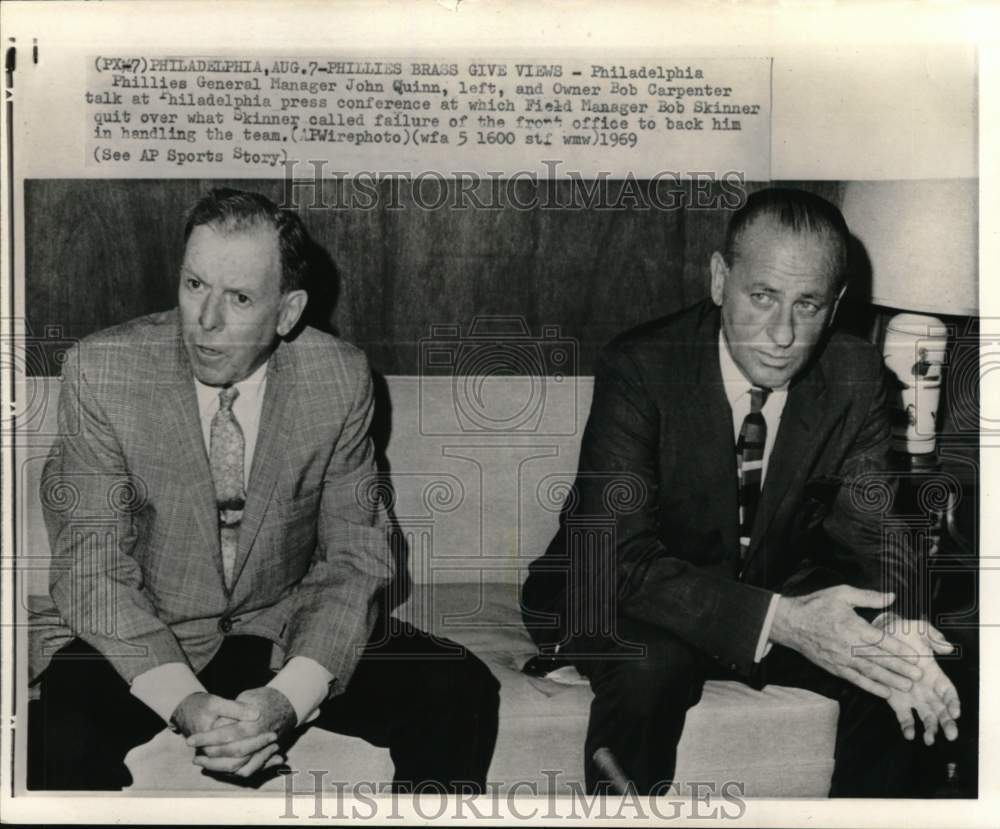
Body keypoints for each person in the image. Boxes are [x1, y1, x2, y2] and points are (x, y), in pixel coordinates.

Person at [28, 188, 499, 792]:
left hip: (282, 620)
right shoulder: (102, 372)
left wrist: (288, 698)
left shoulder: (340, 377)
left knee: (458, 687)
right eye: (194, 285)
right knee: (54, 734)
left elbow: (356, 556)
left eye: (240, 298)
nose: (205, 322)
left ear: (286, 311)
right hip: (148, 622)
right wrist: (183, 700)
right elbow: (90, 568)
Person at [521, 187, 961, 796]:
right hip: (621, 590)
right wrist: (780, 621)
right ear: (720, 279)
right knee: (651, 667)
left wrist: (904, 620)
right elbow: (617, 556)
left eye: (807, 305)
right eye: (762, 297)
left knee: (889, 667)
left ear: (835, 307)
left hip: (764, 592)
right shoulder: (642, 366)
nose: (782, 334)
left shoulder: (855, 373)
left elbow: (877, 524)